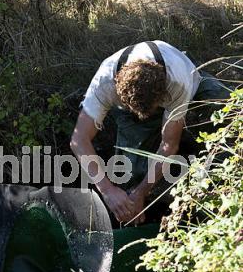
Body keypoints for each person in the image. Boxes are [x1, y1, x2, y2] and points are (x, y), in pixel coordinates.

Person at [70, 40, 228, 224]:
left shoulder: (177, 83)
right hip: (130, 105)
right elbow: (79, 140)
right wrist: (107, 190)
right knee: (129, 172)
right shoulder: (104, 83)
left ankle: (218, 180)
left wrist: (142, 192)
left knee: (228, 107)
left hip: (187, 75)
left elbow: (169, 145)